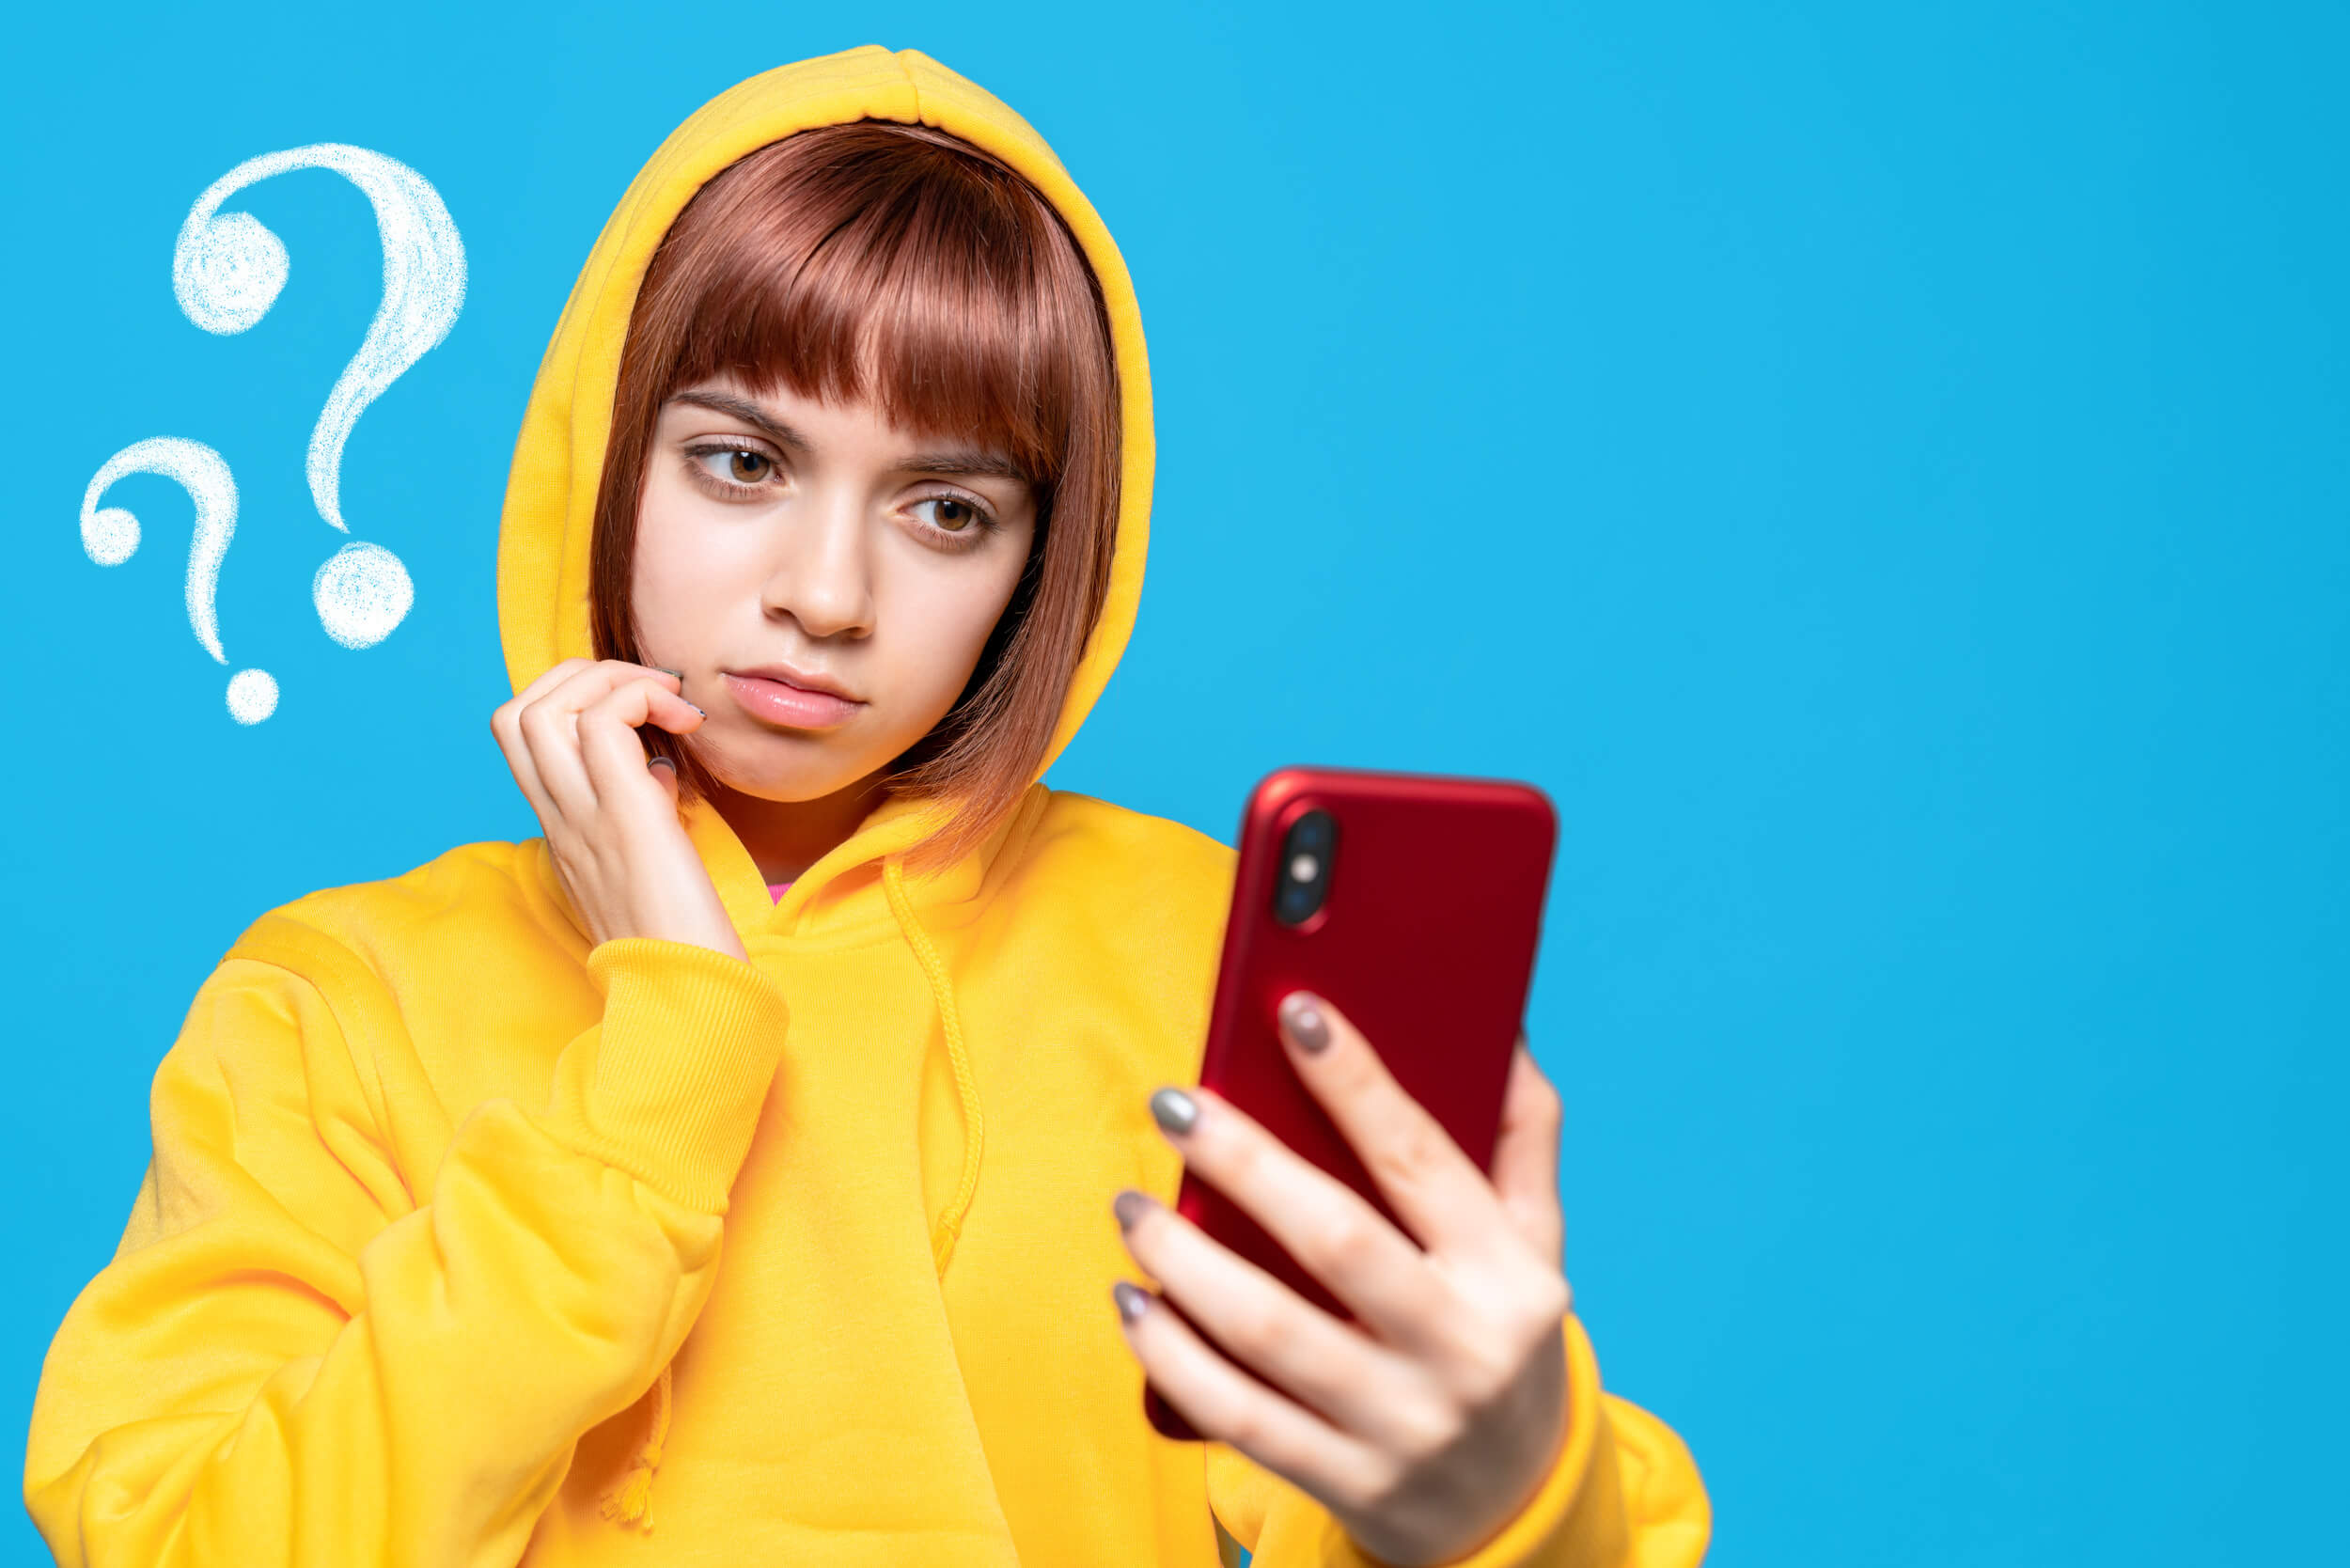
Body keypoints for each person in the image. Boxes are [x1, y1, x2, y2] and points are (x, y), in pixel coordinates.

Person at [23, 45, 1710, 1568]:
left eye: (948, 509)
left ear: (1045, 559)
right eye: (743, 462)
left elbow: (1419, 1500)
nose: (827, 594)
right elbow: (179, 1540)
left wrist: (1514, 1502)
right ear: (607, 451)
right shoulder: (342, 1001)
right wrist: (660, 1065)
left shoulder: (1196, 957)